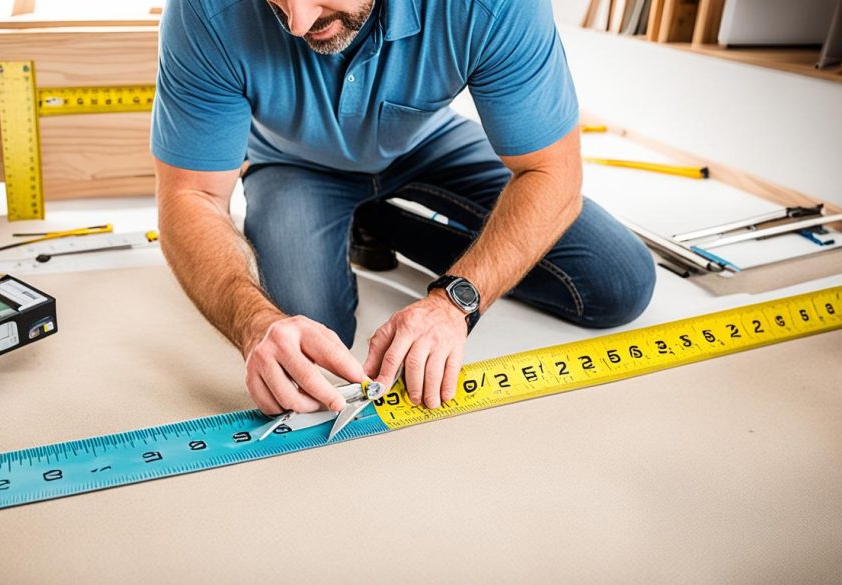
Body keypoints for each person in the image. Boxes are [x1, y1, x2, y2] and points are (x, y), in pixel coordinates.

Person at [151, 0, 656, 417]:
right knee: (308, 350)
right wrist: (253, 324)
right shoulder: (203, 12)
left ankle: (376, 220)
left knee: (618, 282)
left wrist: (454, 302)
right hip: (293, 162)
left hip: (423, 142)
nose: (297, 23)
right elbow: (190, 195)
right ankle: (358, 220)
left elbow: (553, 174)